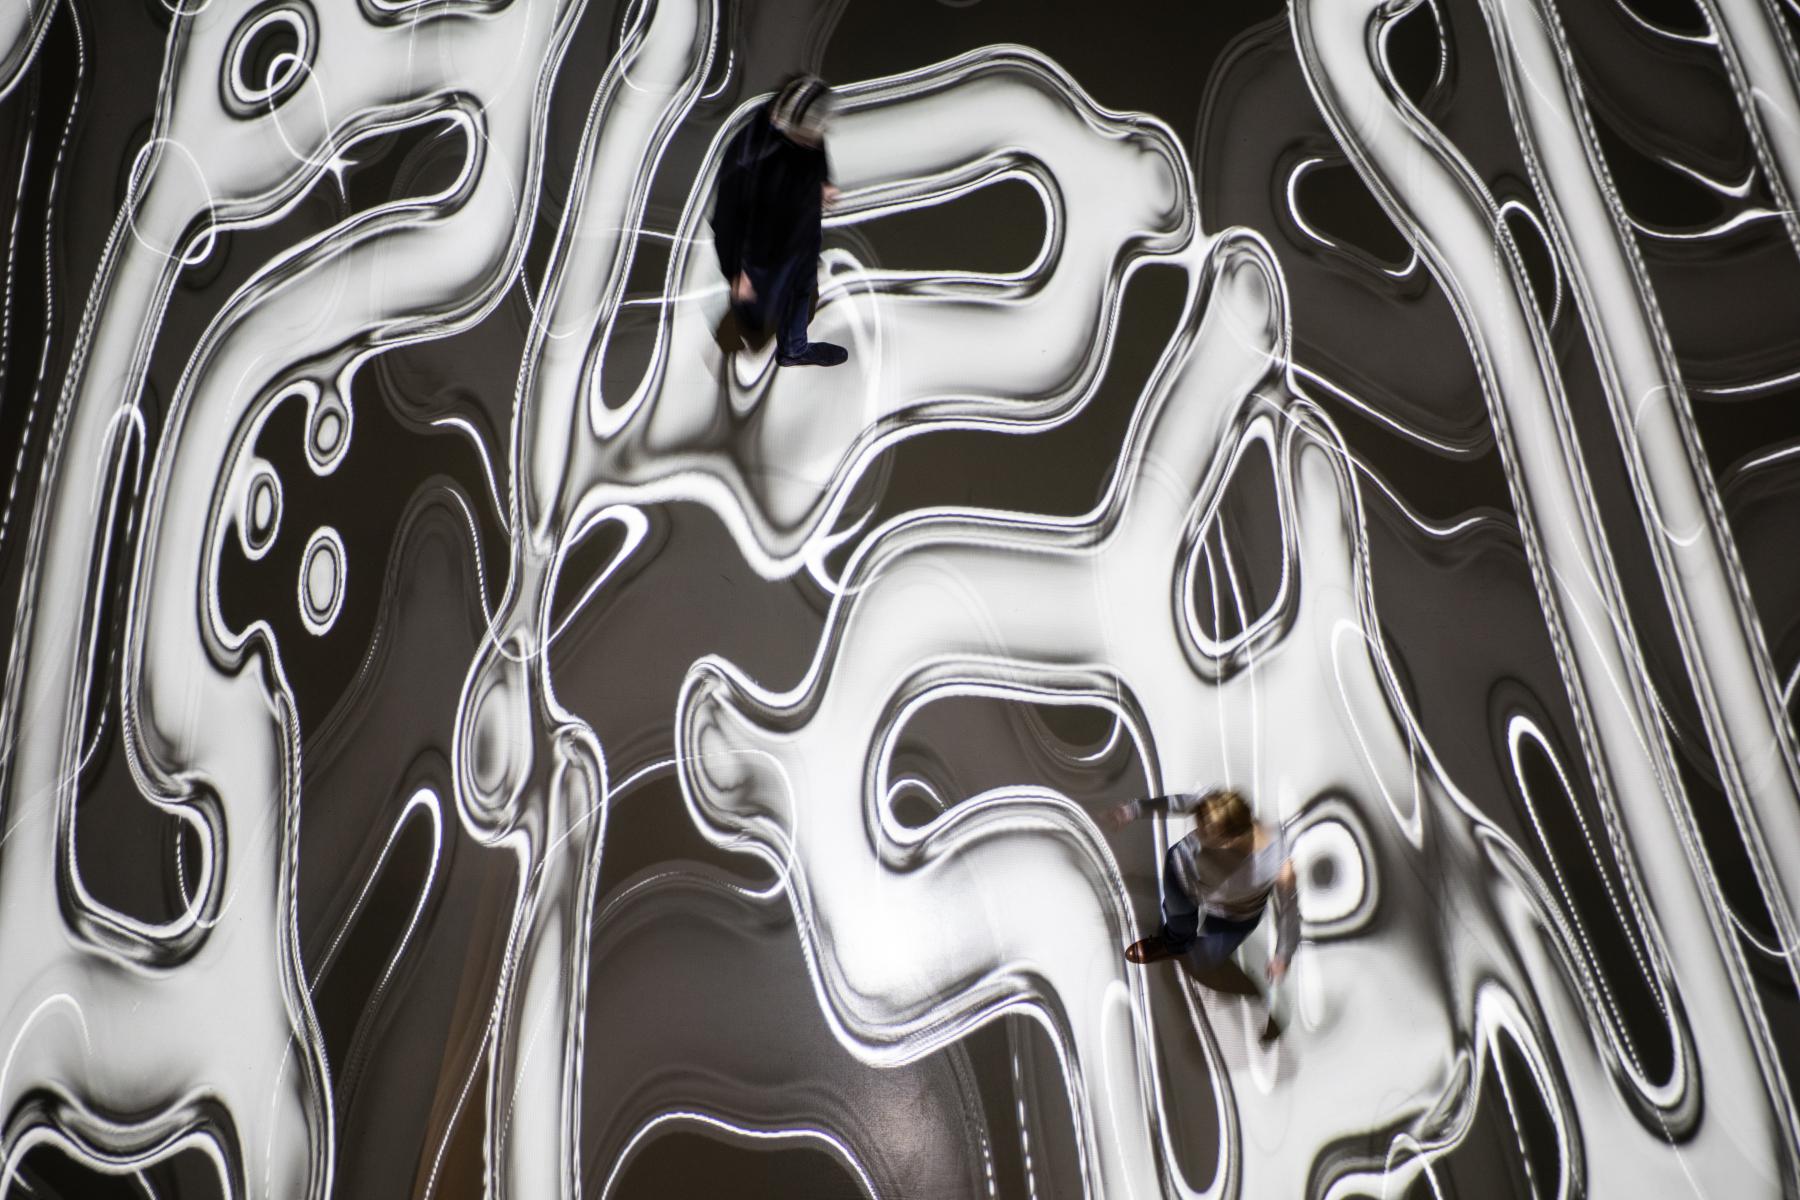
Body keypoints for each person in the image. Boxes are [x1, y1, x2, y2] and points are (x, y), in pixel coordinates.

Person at [710, 74, 849, 368]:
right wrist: (734, 272)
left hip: (803, 231)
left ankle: (793, 350)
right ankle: (744, 322)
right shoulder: (749, 154)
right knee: (758, 303)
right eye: (808, 136)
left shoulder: (806, 131)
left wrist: (824, 181)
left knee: (802, 287)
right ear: (786, 125)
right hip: (766, 249)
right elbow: (725, 220)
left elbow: (817, 146)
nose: (815, 141)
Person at [1103, 787, 1298, 983]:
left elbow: (1289, 912)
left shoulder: (1278, 864)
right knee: (1178, 921)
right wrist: (1133, 810)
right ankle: (1174, 944)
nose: (1197, 836)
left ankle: (1187, 950)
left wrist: (1283, 955)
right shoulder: (1219, 808)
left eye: (1206, 835)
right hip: (1181, 875)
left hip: (1234, 913)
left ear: (1228, 841)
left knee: (1202, 961)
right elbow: (1178, 803)